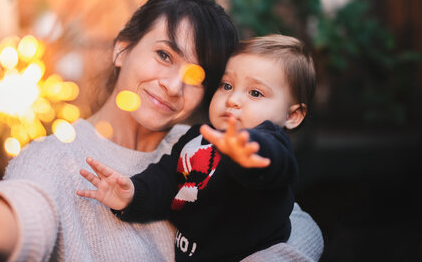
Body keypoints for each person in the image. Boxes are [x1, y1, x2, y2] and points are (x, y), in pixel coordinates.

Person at [0, 0, 323, 261]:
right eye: (165, 56)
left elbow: (296, 224)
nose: (172, 85)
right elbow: (30, 208)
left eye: (197, 76)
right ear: (122, 49)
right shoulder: (53, 157)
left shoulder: (200, 145)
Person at [77, 34, 315, 261]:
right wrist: (133, 194)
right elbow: (166, 179)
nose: (233, 99)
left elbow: (274, 164)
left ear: (293, 115)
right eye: (227, 86)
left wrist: (247, 153)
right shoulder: (197, 136)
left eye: (255, 93)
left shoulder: (268, 145)